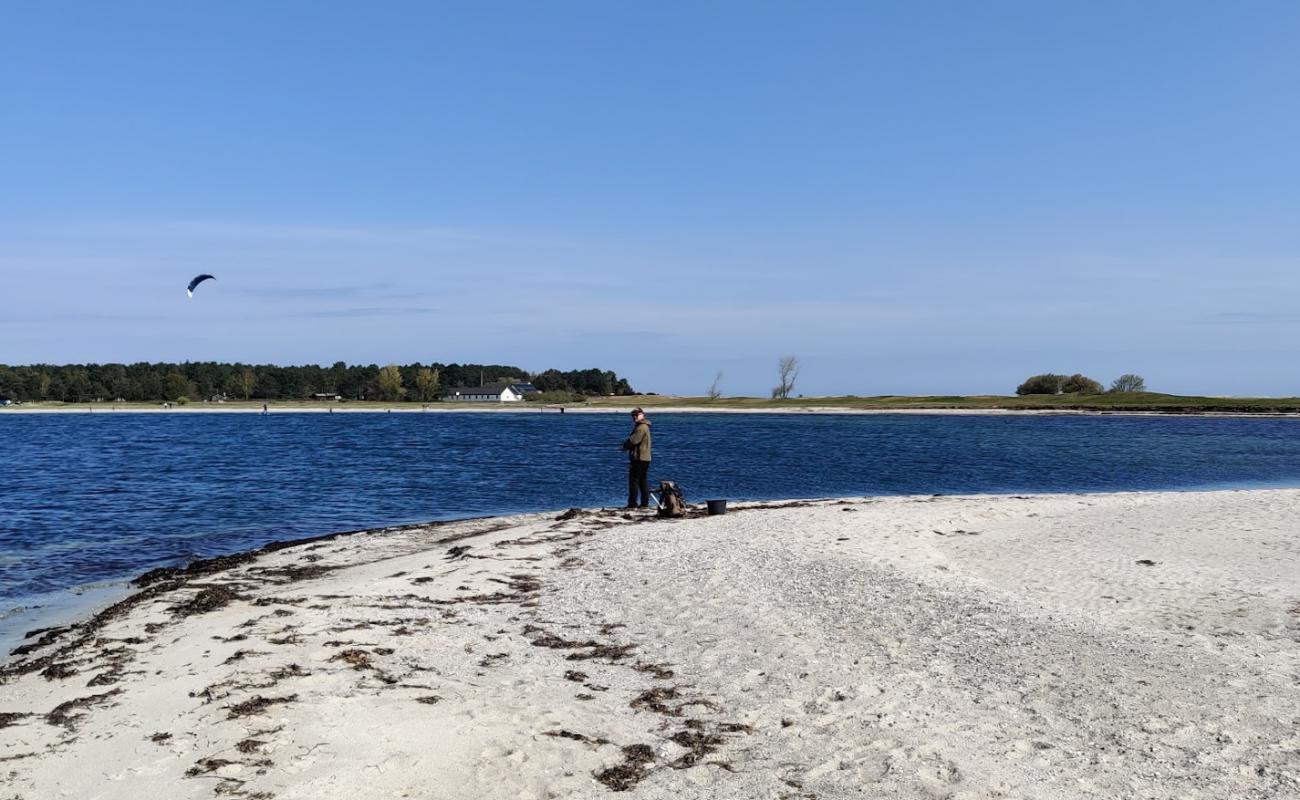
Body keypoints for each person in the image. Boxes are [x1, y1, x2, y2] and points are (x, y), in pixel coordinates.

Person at [621, 407, 652, 509]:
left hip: (639, 458)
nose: (634, 417)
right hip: (645, 458)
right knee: (642, 481)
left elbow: (634, 440)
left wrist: (624, 446)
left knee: (634, 481)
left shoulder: (641, 427)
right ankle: (644, 504)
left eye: (636, 415)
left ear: (642, 415)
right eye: (633, 415)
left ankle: (633, 504)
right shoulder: (643, 426)